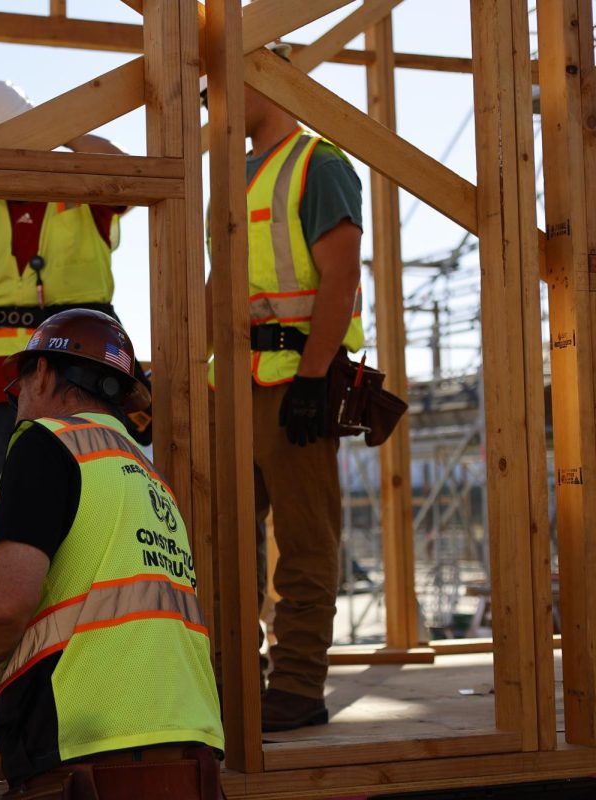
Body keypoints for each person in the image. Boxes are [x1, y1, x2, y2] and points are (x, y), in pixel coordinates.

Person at [0, 310, 224, 798]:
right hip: (190, 756)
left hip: (88, 756)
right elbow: (121, 640)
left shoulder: (47, 442)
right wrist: (7, 756)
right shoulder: (147, 476)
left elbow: (5, 604)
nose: (16, 409)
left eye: (18, 390)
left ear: (45, 374)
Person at [205, 42, 364, 731]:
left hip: (292, 384)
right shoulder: (233, 175)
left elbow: (341, 277)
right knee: (223, 546)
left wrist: (311, 378)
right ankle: (236, 680)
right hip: (232, 388)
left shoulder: (318, 163)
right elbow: (219, 288)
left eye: (222, 85)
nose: (212, 100)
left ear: (261, 82)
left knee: (304, 545)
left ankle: (298, 687)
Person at [0, 79, 139, 515]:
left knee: (98, 507)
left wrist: (62, 128)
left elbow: (133, 177)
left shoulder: (80, 180)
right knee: (9, 514)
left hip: (82, 374)